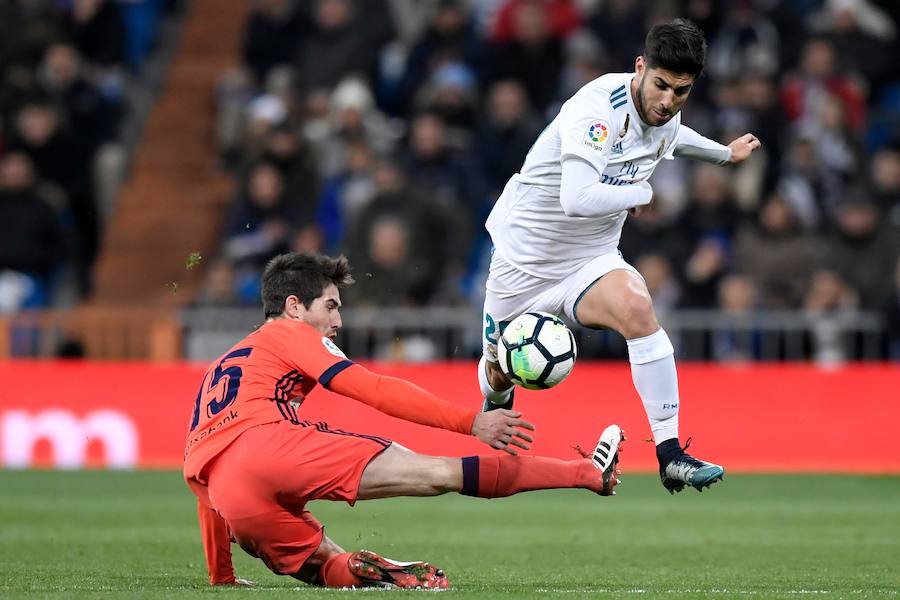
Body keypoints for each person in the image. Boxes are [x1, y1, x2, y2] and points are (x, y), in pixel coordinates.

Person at [184, 252, 625, 589]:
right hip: (272, 445)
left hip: (229, 496)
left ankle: (363, 567)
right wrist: (470, 422)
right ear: (295, 306)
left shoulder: (221, 366)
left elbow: (204, 479)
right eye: (331, 306)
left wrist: (221, 574)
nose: (338, 320)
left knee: (324, 569)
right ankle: (587, 473)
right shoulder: (291, 333)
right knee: (441, 472)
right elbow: (372, 389)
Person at [477, 18, 760, 494]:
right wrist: (640, 191)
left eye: (681, 90)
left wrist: (723, 155)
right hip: (524, 261)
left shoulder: (663, 115)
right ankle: (495, 404)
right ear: (639, 67)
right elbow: (576, 197)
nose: (668, 100)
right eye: (661, 85)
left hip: (589, 257)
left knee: (638, 307)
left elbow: (674, 138)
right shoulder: (597, 112)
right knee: (496, 372)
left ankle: (669, 453)